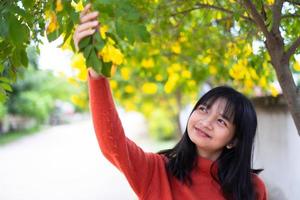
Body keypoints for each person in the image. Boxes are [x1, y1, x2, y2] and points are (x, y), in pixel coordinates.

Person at [73, 4, 267, 200]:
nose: (205, 122)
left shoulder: (253, 189)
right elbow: (112, 144)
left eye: (221, 121)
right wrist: (97, 75)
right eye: (203, 109)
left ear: (234, 140)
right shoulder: (157, 171)